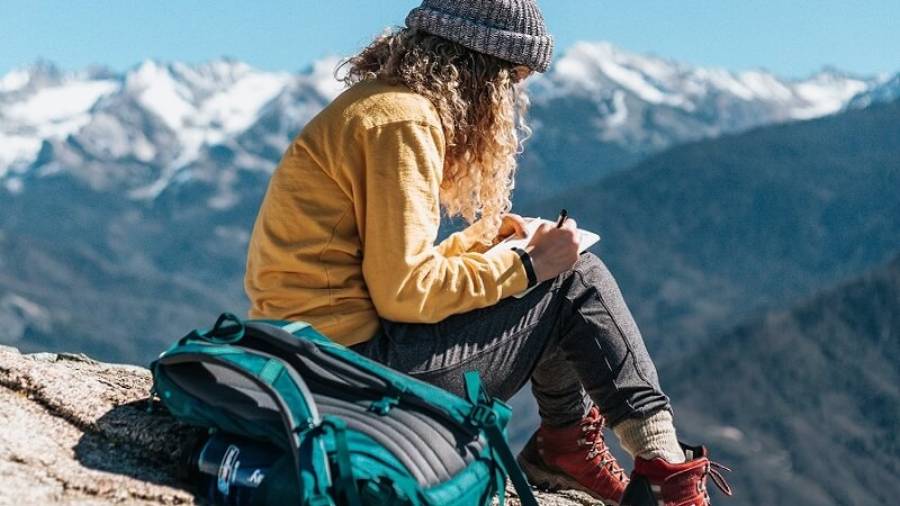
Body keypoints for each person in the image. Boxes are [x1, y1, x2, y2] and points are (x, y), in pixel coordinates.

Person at [244, 1, 732, 504]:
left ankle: (569, 447)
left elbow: (382, 270)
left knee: (555, 274)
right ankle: (662, 470)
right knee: (573, 277)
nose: (511, 99)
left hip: (311, 357)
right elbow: (404, 292)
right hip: (347, 377)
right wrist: (527, 264)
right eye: (513, 80)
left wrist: (487, 242)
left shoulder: (380, 106)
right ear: (481, 70)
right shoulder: (403, 124)